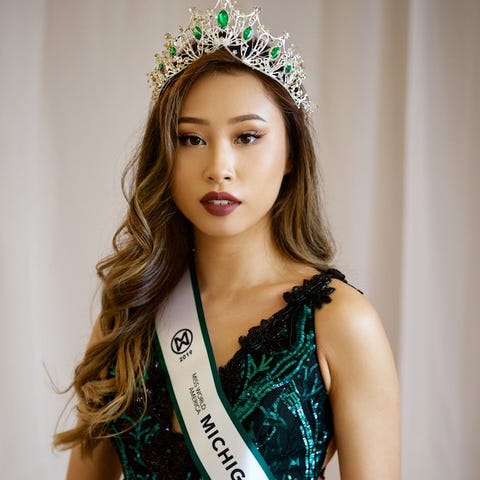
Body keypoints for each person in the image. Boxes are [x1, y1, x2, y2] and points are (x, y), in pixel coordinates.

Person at [55, 1, 400, 478]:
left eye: (247, 137)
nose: (218, 167)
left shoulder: (339, 322)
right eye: (191, 139)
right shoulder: (129, 315)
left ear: (290, 153)